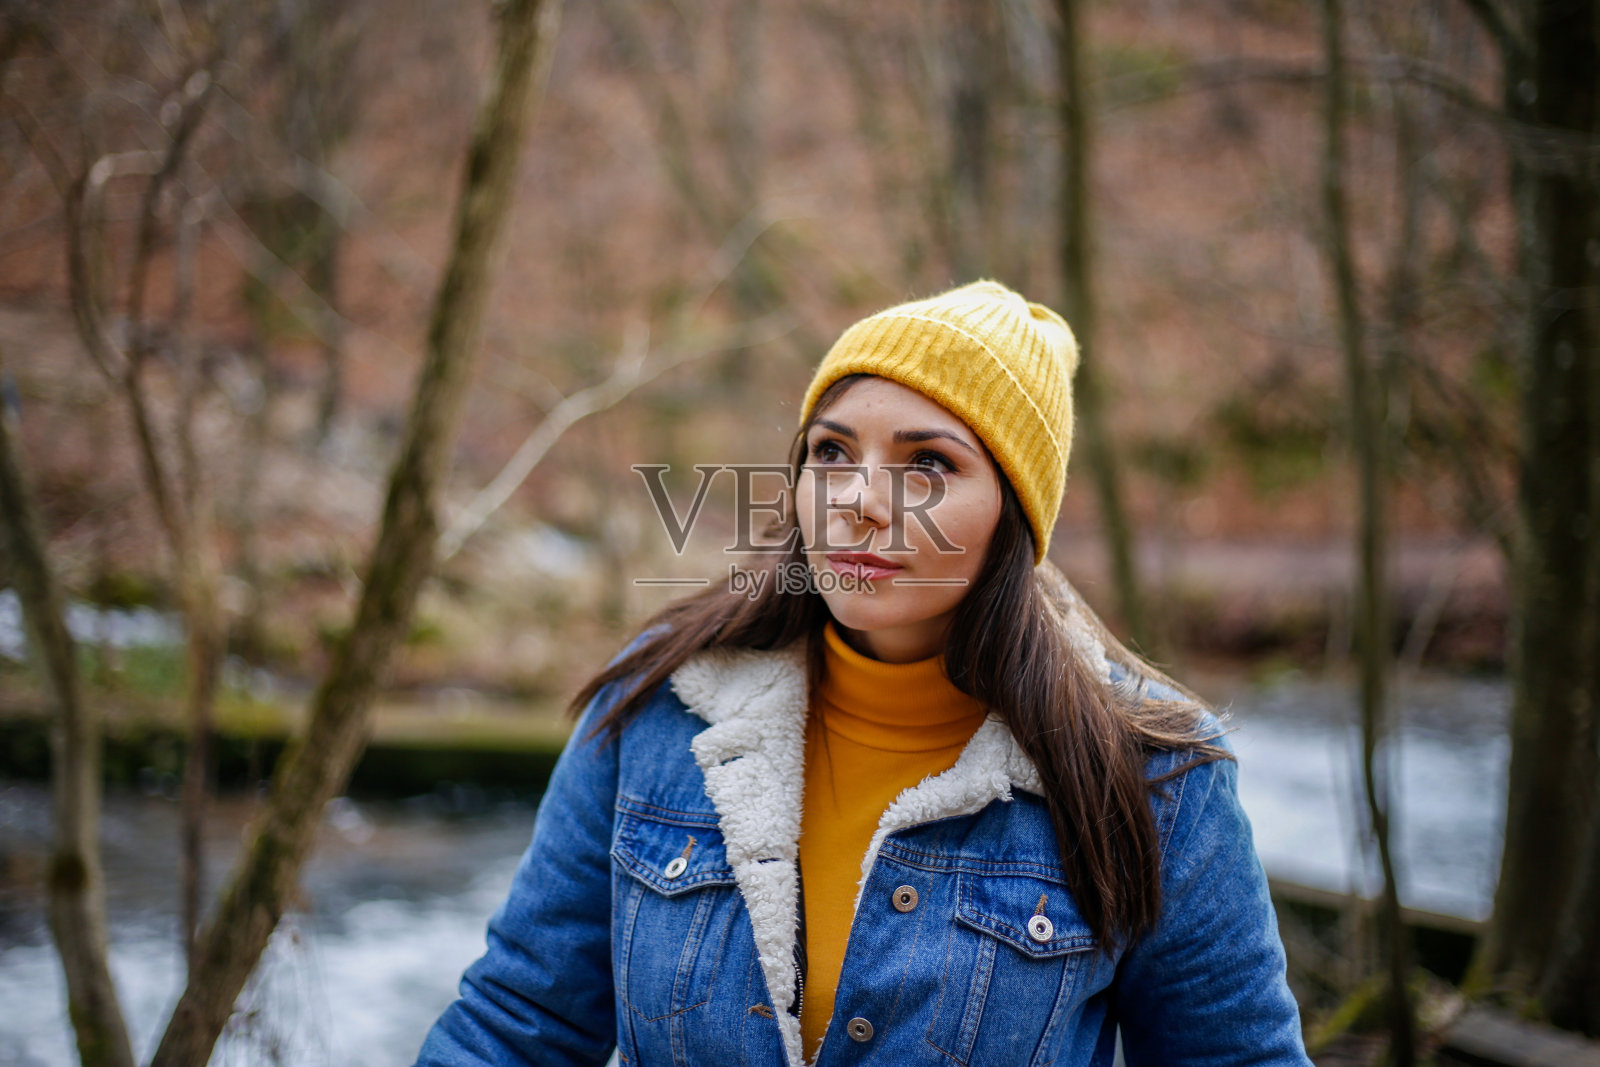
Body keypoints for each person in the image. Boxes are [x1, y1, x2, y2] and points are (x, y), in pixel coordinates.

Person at [412, 281, 1312, 1066]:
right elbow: (517, 1024)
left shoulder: (1157, 778)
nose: (860, 502)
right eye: (833, 452)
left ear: (1015, 516)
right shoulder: (653, 709)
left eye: (928, 464)